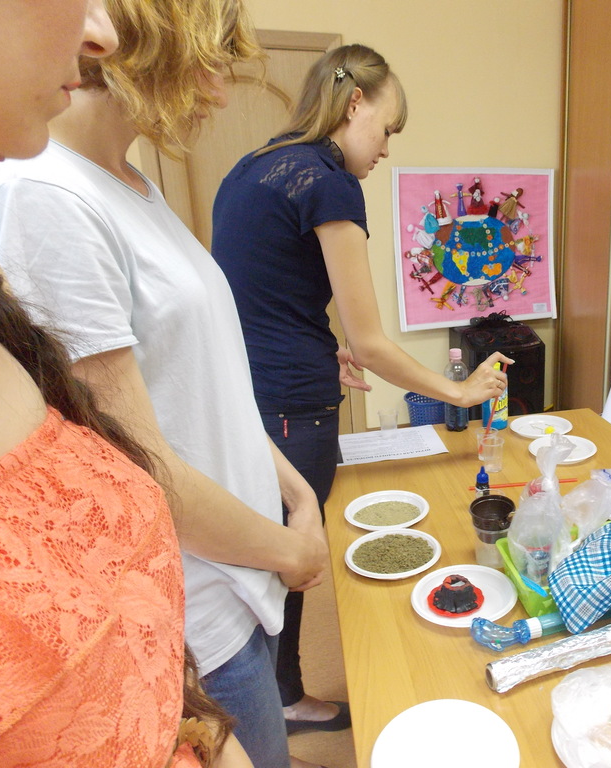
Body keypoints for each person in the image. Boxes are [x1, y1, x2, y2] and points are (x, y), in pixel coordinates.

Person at [0, 1, 330, 766]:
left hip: (240, 574)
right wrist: (288, 552)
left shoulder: (129, 183)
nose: (219, 93)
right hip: (202, 601)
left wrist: (290, 486)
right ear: (150, 46)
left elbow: (201, 385)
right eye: (208, 62)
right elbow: (135, 459)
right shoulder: (44, 195)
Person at [209, 43, 510, 727]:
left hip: (249, 391)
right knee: (291, 559)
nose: (385, 150)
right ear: (354, 104)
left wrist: (324, 348)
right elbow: (372, 342)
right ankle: (283, 702)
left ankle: (276, 695)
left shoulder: (254, 166)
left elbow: (262, 294)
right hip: (292, 405)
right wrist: (460, 391)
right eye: (387, 129)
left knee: (266, 557)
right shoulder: (329, 180)